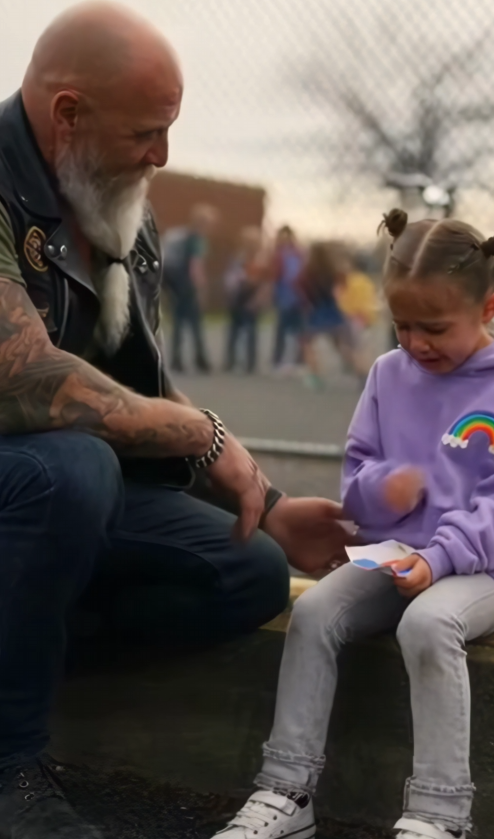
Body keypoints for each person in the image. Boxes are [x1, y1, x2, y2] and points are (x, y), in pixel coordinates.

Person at [0, 5, 351, 837]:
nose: (162, 154)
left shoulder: (121, 205)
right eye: (145, 133)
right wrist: (202, 433)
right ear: (68, 112)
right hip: (37, 480)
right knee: (74, 468)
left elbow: (141, 387)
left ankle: (21, 659)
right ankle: (9, 763)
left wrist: (267, 502)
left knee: (247, 569)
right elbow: (21, 373)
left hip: (55, 500)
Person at [215, 209, 494, 839]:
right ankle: (287, 792)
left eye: (434, 328)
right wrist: (380, 491)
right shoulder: (389, 374)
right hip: (400, 554)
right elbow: (358, 478)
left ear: (489, 306)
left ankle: (440, 816)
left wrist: (441, 557)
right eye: (402, 325)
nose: (416, 343)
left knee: (429, 623)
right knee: (313, 612)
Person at [163, 203, 218, 372]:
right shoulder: (197, 240)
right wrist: (201, 289)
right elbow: (196, 266)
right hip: (187, 286)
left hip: (174, 284)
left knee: (179, 322)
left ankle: (176, 359)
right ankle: (200, 359)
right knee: (195, 323)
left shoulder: (179, 235)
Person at [298, 243, 355, 389]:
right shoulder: (331, 271)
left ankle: (315, 376)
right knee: (341, 343)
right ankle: (360, 372)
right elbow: (343, 284)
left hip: (315, 309)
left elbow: (299, 287)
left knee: (308, 344)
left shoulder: (308, 272)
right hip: (331, 308)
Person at [224, 226, 267, 374]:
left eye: (253, 242)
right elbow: (231, 277)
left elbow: (264, 281)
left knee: (251, 330)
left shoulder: (261, 260)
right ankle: (230, 360)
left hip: (252, 295)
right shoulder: (238, 258)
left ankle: (250, 363)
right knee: (234, 330)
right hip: (238, 295)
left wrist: (258, 298)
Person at [336, 252, 380, 376]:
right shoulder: (366, 281)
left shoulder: (349, 281)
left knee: (354, 346)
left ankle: (361, 370)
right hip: (366, 317)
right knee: (363, 346)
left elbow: (342, 300)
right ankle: (364, 369)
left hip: (354, 317)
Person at [271, 225, 304, 371]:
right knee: (282, 329)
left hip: (299, 296)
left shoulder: (299, 254)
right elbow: (275, 275)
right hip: (284, 295)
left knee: (301, 330)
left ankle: (300, 360)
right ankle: (278, 359)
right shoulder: (277, 254)